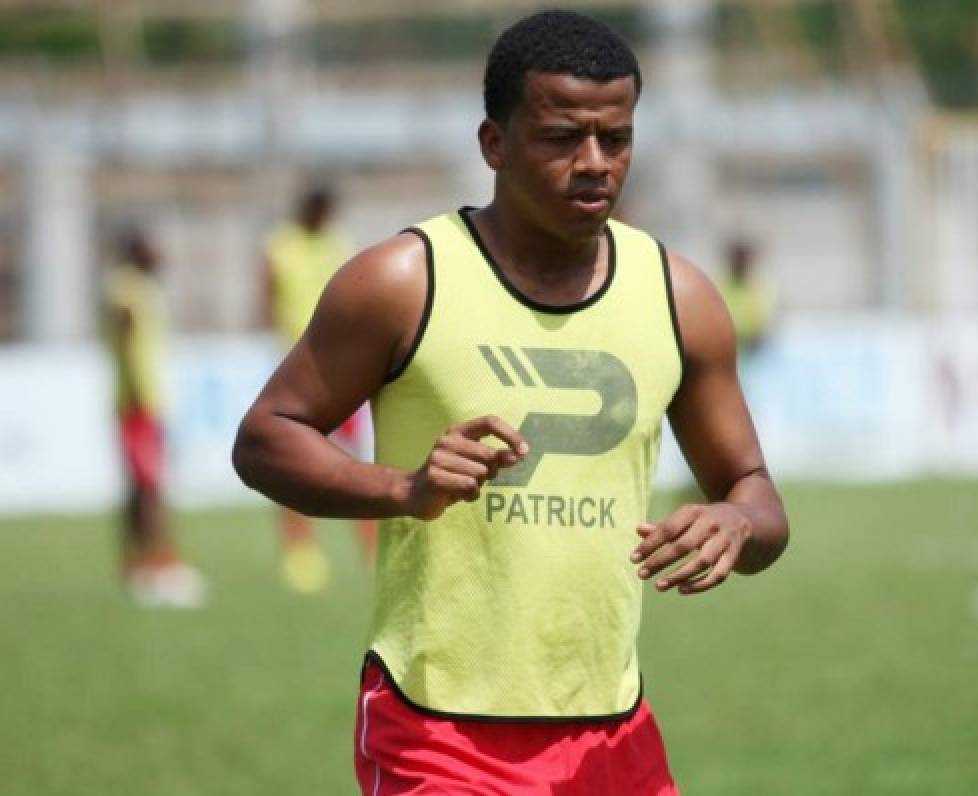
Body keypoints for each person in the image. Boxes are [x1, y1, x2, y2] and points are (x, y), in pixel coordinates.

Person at [234, 11, 789, 794]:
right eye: (561, 138)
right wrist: (405, 489)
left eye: (616, 139)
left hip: (612, 730)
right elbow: (265, 436)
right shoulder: (403, 281)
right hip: (439, 730)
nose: (594, 163)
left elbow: (755, 491)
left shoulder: (679, 297)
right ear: (494, 144)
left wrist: (736, 522)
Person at [262, 185, 377, 592]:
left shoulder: (338, 243)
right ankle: (300, 551)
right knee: (292, 462)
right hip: (297, 371)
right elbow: (268, 302)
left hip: (339, 369)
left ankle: (370, 549)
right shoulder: (280, 246)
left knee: (355, 459)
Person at [103, 227, 207, 608]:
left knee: (139, 487)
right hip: (139, 404)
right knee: (150, 487)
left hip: (146, 402)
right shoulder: (125, 288)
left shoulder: (141, 287)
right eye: (153, 248)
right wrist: (140, 397)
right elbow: (123, 329)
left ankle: (135, 565)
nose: (160, 254)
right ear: (136, 250)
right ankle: (160, 564)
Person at [717, 237, 775, 355]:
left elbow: (762, 325)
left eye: (742, 259)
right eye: (737, 259)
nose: (739, 264)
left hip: (752, 350)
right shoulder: (717, 285)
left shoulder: (759, 287)